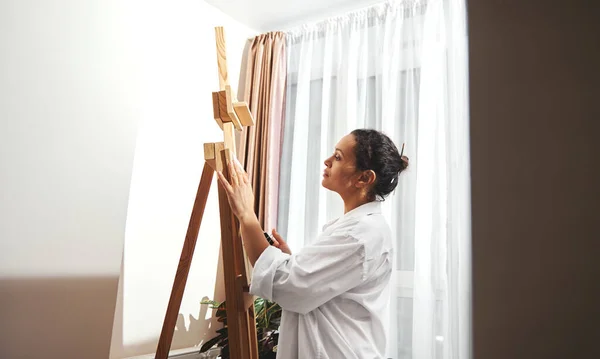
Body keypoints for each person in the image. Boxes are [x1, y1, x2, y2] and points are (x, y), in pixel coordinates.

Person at [216, 129, 409, 359]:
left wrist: (247, 214)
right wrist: (292, 262)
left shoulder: (360, 235)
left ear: (364, 178)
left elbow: (286, 284)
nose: (327, 161)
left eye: (338, 157)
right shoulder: (361, 229)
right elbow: (318, 288)